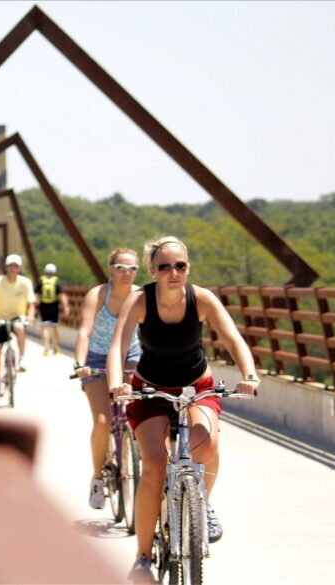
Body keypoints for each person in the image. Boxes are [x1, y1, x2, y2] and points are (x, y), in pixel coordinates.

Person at [106, 236, 259, 583]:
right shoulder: (140, 300)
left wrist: (249, 375)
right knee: (155, 465)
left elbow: (233, 337)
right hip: (150, 390)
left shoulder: (202, 299)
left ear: (188, 267)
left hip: (196, 386)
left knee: (209, 445)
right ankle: (143, 557)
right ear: (153, 271)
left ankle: (202, 507)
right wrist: (118, 383)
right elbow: (118, 345)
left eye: (180, 266)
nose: (174, 272)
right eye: (165, 267)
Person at [71, 248, 141, 510]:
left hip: (130, 356)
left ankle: (138, 459)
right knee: (102, 421)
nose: (127, 273)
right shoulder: (99, 295)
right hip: (98, 360)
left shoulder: (140, 295)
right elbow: (84, 331)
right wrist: (80, 363)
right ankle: (98, 478)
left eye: (132, 268)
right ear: (111, 268)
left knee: (143, 416)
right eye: (122, 268)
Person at [0, 254, 36, 396]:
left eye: (16, 266)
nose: (13, 268)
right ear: (6, 267)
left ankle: (22, 359)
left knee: (19, 328)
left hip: (17, 316)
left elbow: (31, 304)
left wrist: (30, 316)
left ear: (20, 268)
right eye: (10, 265)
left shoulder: (25, 282)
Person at [35, 263, 70, 355]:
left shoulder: (41, 281)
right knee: (55, 327)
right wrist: (66, 307)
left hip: (43, 305)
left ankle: (46, 348)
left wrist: (36, 306)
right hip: (54, 306)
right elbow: (62, 295)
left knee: (44, 327)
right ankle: (55, 347)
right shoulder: (57, 281)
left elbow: (37, 295)